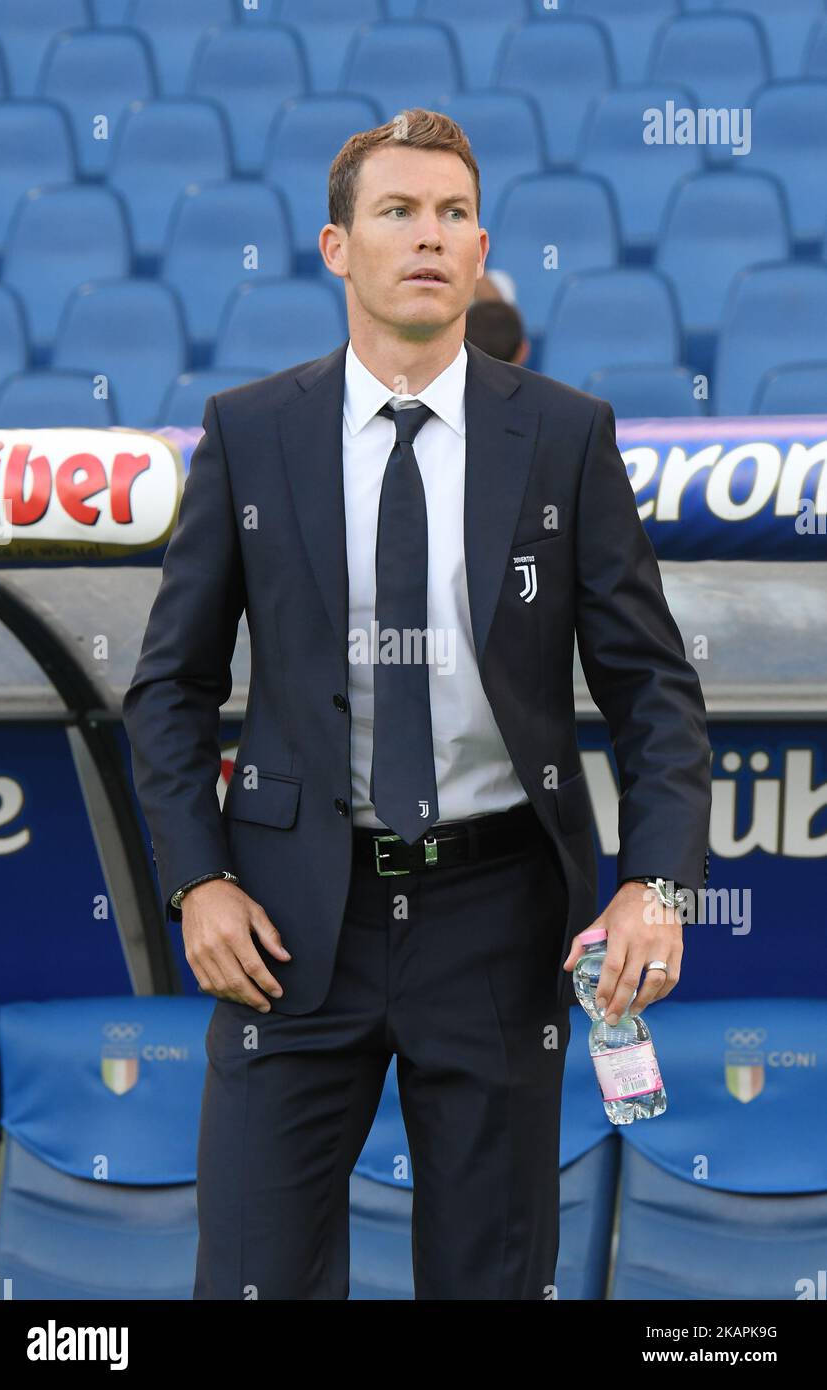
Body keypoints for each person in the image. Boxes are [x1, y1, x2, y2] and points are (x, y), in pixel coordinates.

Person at [122, 107, 712, 1301]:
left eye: (451, 215)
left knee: (488, 1284)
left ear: (481, 245)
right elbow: (169, 688)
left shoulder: (563, 436)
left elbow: (651, 687)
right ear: (337, 246)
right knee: (249, 1280)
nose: (427, 236)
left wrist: (658, 883)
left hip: (497, 918)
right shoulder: (249, 431)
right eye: (396, 212)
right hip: (288, 925)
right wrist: (197, 880)